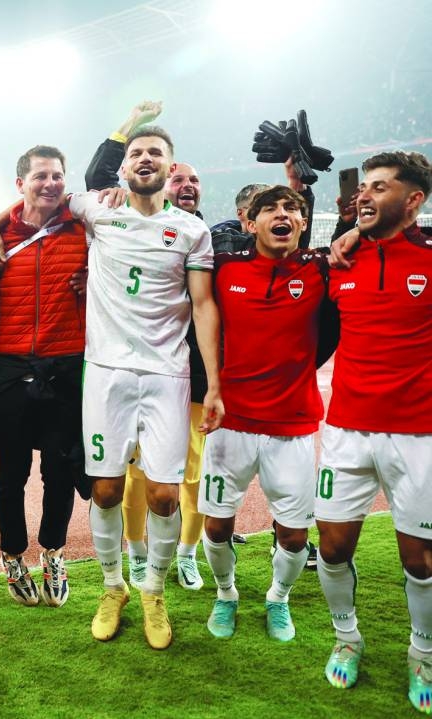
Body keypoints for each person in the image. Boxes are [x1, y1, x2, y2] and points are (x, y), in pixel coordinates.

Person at [69, 125, 223, 650]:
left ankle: (153, 589)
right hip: (106, 373)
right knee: (106, 488)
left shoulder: (191, 232)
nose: (145, 158)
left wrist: (216, 382)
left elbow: (203, 306)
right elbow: (41, 196)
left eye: (155, 152)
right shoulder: (98, 210)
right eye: (136, 152)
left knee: (161, 495)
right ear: (123, 164)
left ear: (169, 167)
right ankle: (112, 587)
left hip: (166, 377)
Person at [315, 151, 432, 714]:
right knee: (333, 548)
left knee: (422, 561)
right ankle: (347, 637)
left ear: (414, 201)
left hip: (420, 434)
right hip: (346, 430)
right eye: (363, 186)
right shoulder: (339, 261)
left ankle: (423, 652)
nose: (365, 195)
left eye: (380, 187)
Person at [199, 185, 332, 642]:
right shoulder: (225, 267)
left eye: (291, 209)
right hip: (229, 422)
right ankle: (226, 593)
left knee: (294, 536)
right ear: (248, 223)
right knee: (216, 526)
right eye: (270, 209)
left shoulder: (322, 270)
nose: (282, 215)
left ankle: (279, 598)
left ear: (303, 222)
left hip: (291, 426)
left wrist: (307, 186)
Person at [0, 146, 87, 609]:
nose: (51, 183)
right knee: (12, 472)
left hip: (66, 363)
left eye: (57, 175)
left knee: (60, 473)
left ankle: (54, 552)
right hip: (13, 364)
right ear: (20, 183)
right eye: (40, 175)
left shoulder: (85, 226)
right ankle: (13, 554)